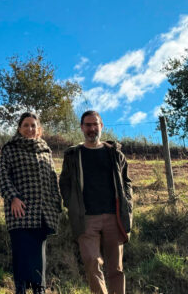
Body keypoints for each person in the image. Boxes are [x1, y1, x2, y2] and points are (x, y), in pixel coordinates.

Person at [59, 110, 133, 294]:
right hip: (86, 218)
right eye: (88, 125)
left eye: (95, 124)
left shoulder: (115, 154)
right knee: (92, 263)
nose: (92, 129)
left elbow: (127, 182)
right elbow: (65, 183)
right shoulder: (73, 156)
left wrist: (128, 204)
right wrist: (72, 205)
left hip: (113, 217)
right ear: (82, 127)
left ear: (101, 126)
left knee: (116, 268)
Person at [0, 112, 62, 294]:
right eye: (26, 125)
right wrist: (13, 198)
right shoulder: (10, 148)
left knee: (38, 255)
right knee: (21, 254)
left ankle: (39, 290)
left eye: (33, 125)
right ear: (19, 128)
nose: (30, 129)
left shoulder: (45, 150)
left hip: (42, 212)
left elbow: (52, 179)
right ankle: (20, 290)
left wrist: (57, 205)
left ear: (38, 129)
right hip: (20, 210)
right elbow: (3, 177)